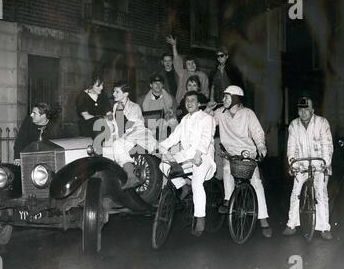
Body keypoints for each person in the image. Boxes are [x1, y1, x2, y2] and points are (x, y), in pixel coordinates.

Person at [209, 85, 272, 238]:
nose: (223, 99)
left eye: (227, 97)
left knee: (256, 182)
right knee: (226, 168)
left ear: (235, 99)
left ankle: (264, 219)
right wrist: (208, 111)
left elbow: (257, 132)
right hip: (230, 154)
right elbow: (207, 123)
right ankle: (228, 200)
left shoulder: (248, 114)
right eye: (223, 96)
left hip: (247, 153)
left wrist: (261, 147)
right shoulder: (220, 113)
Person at [158, 91, 216, 237]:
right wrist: (159, 147)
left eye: (193, 100)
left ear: (198, 103)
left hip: (203, 156)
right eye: (187, 100)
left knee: (197, 182)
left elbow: (205, 139)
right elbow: (173, 138)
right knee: (164, 165)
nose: (189, 103)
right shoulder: (184, 120)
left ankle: (200, 219)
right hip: (186, 155)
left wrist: (197, 155)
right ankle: (183, 186)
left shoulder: (206, 118)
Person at [284, 97, 333, 240]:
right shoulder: (294, 125)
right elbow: (291, 147)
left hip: (319, 165)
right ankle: (291, 224)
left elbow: (327, 145)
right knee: (296, 193)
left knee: (321, 194)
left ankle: (324, 228)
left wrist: (326, 163)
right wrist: (293, 163)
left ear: (312, 110)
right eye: (300, 109)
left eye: (306, 109)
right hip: (302, 165)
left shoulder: (322, 123)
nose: (303, 112)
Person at [110, 81, 158, 189]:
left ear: (126, 94)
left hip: (138, 140)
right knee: (113, 147)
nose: (113, 94)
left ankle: (131, 176)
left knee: (117, 145)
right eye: (114, 91)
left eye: (117, 92)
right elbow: (115, 125)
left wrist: (117, 137)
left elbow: (127, 127)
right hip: (126, 140)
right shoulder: (116, 106)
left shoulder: (134, 107)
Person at [165, 35, 209, 106]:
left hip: (197, 105)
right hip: (182, 104)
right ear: (185, 66)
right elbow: (177, 60)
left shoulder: (203, 76)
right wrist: (174, 46)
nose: (191, 65)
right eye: (188, 64)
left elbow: (206, 92)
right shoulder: (182, 73)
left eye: (193, 63)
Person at [141, 73, 178, 141]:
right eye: (155, 83)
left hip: (165, 127)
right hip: (151, 128)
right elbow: (145, 118)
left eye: (160, 83)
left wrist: (170, 113)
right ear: (151, 85)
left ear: (163, 85)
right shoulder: (144, 100)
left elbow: (173, 115)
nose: (158, 85)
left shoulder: (169, 99)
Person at [76, 72, 112, 138]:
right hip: (87, 130)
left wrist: (109, 120)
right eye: (98, 86)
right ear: (90, 85)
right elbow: (86, 116)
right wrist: (103, 119)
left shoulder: (103, 96)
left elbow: (109, 114)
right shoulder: (82, 97)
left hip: (103, 128)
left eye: (102, 85)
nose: (101, 88)